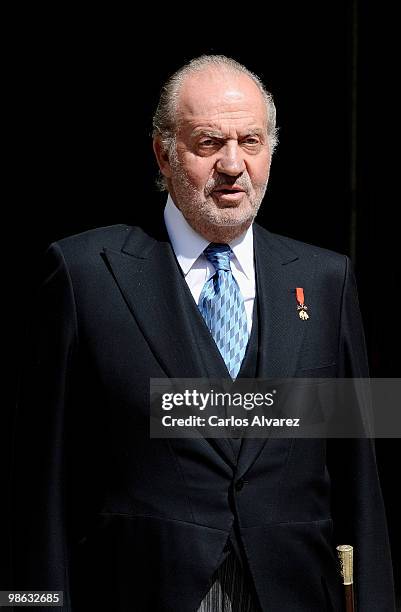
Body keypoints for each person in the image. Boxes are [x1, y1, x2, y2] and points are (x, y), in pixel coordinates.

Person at [12, 55, 395, 611]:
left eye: (252, 142)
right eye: (210, 142)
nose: (233, 164)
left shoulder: (326, 280)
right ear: (163, 153)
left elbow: (361, 483)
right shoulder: (84, 275)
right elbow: (36, 488)